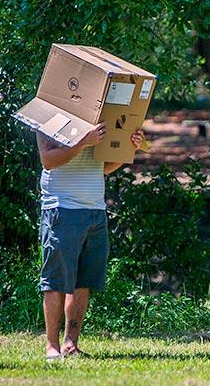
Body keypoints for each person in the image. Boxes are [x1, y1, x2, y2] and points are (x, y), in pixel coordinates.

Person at [37, 122, 143, 360]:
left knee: (82, 281)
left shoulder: (96, 117)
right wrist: (83, 141)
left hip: (95, 210)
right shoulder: (47, 116)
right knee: (55, 280)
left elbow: (102, 168)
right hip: (62, 209)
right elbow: (48, 160)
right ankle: (51, 347)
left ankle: (70, 344)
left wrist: (129, 149)